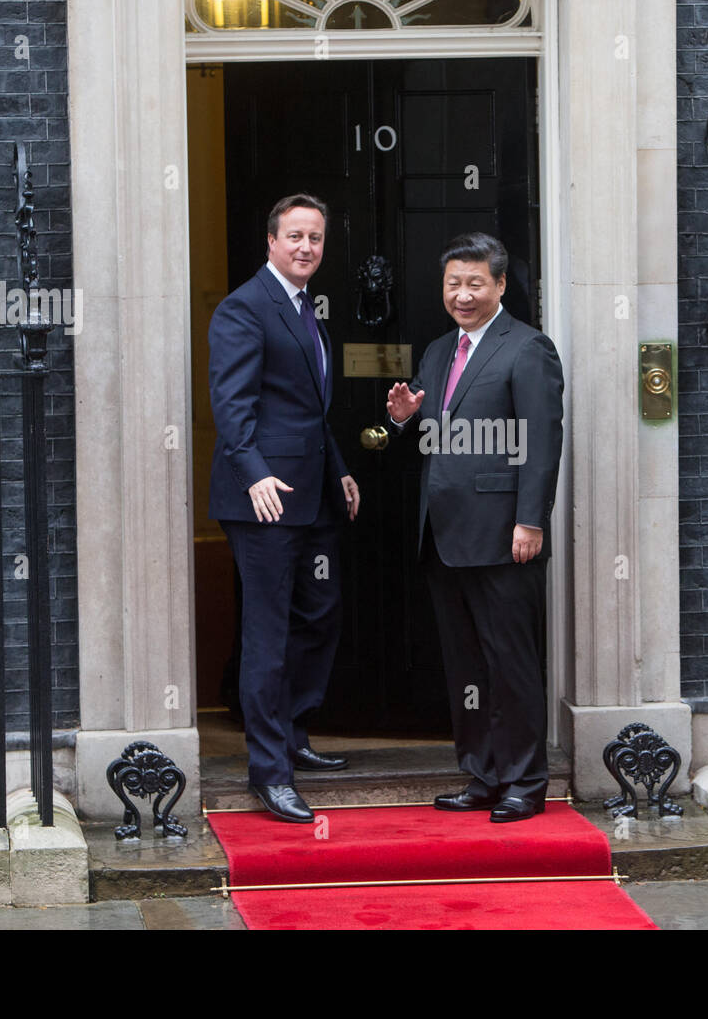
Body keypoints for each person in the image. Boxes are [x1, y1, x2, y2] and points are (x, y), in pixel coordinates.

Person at [385, 232, 564, 823]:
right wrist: (408, 421)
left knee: (509, 662)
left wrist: (530, 520)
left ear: (501, 285)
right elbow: (446, 439)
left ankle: (524, 782)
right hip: (444, 536)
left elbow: (540, 443)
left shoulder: (528, 348)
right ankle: (483, 774)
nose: (462, 295)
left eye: (474, 284)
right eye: (452, 284)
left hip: (503, 536)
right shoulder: (438, 352)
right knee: (467, 666)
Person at [208, 193, 361, 825]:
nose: (306, 248)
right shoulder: (244, 308)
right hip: (264, 500)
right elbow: (232, 404)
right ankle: (270, 772)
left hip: (314, 493)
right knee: (267, 635)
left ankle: (294, 731)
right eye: (295, 236)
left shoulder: (307, 313)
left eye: (316, 239)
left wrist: (342, 470)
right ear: (271, 241)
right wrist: (254, 475)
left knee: (319, 616)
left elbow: (308, 412)